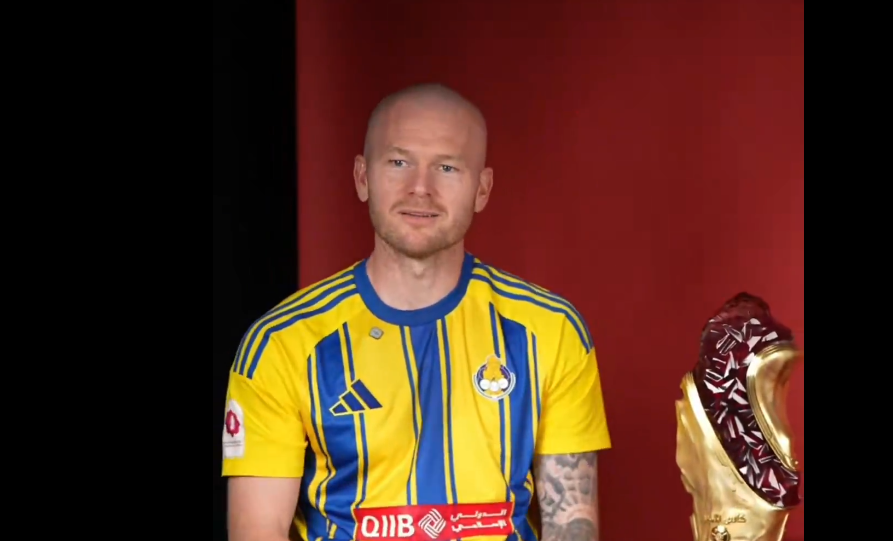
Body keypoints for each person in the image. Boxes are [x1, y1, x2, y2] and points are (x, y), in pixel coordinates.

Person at [222, 83, 611, 541]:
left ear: (482, 189)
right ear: (362, 177)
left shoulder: (551, 331)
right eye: (399, 162)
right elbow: (257, 531)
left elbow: (572, 527)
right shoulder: (281, 344)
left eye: (447, 167)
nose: (420, 188)